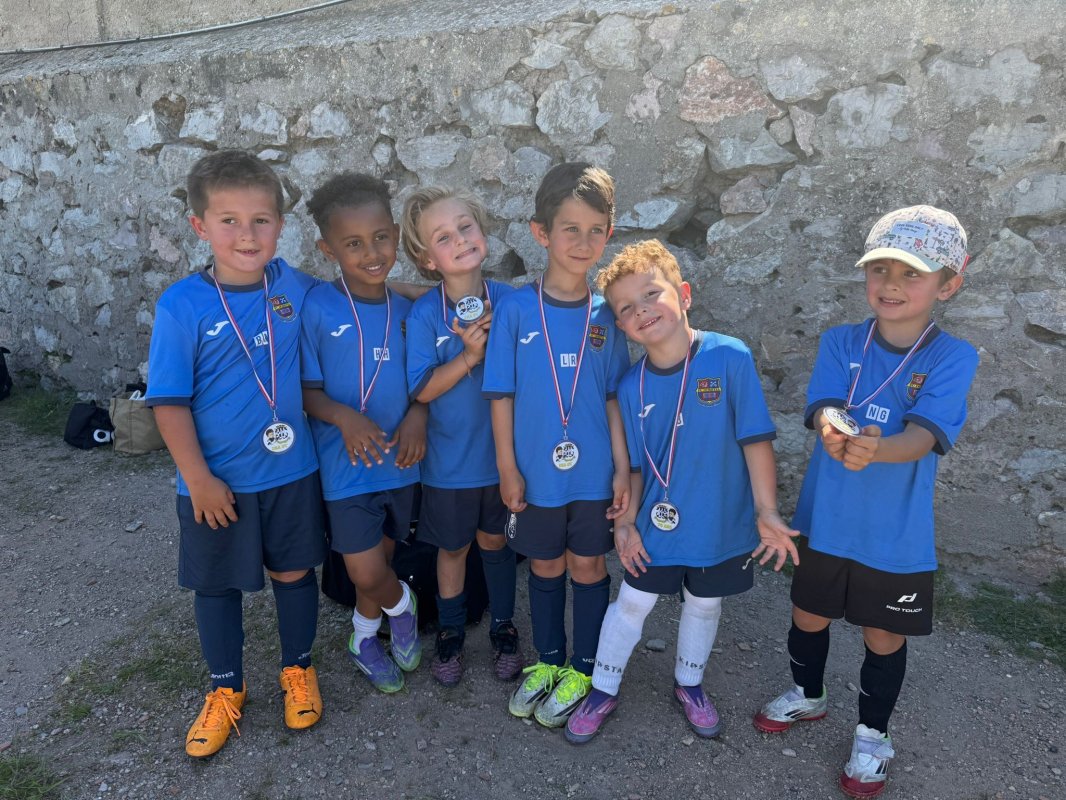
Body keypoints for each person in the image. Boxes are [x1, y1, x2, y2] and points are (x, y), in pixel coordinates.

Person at [752, 206, 979, 798]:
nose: (892, 284)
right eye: (880, 269)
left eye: (912, 274)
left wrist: (875, 449)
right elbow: (825, 404)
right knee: (807, 615)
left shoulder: (952, 357)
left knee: (883, 634)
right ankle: (808, 695)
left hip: (893, 538)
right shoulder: (840, 340)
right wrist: (832, 427)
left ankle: (873, 733)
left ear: (949, 284)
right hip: (824, 524)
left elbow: (924, 437)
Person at [564, 239, 799, 744]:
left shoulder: (728, 357)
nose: (642, 311)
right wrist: (625, 525)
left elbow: (754, 439)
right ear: (621, 326)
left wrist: (766, 510)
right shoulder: (630, 386)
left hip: (720, 522)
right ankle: (602, 690)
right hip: (656, 522)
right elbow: (634, 469)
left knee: (704, 604)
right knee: (632, 602)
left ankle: (689, 684)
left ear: (684, 294)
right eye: (626, 308)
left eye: (651, 294)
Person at [146, 150, 326, 757]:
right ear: (200, 226)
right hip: (214, 484)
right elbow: (168, 403)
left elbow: (360, 295)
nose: (247, 235)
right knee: (217, 587)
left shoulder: (295, 287)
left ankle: (297, 669)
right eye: (229, 221)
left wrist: (438, 296)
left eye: (262, 220)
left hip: (291, 471)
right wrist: (197, 479)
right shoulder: (182, 304)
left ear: (281, 223)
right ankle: (226, 688)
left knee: (295, 572)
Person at [482, 163, 631, 728]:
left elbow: (615, 397)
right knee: (544, 563)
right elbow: (500, 394)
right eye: (570, 229)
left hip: (593, 474)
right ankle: (547, 661)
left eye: (596, 230)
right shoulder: (518, 309)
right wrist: (507, 468)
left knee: (588, 564)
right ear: (541, 232)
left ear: (609, 234)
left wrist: (622, 470)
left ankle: (585, 668)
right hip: (535, 474)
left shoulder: (609, 314)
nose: (583, 242)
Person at [300, 172, 427, 694]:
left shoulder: (411, 310)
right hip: (344, 466)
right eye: (352, 243)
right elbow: (305, 392)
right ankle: (404, 607)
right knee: (364, 572)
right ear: (327, 247)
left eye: (380, 237)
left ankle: (362, 637)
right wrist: (344, 417)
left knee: (384, 559)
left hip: (402, 461)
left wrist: (419, 412)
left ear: (396, 234)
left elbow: (426, 378)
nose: (371, 252)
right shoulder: (316, 308)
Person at [400, 186, 523, 686]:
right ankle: (450, 633)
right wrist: (468, 357)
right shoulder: (426, 314)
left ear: (483, 232)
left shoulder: (513, 302)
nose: (460, 240)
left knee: (496, 544)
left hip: (502, 462)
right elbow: (422, 389)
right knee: (451, 550)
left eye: (465, 227)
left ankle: (502, 627)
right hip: (449, 463)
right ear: (429, 259)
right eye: (444, 237)